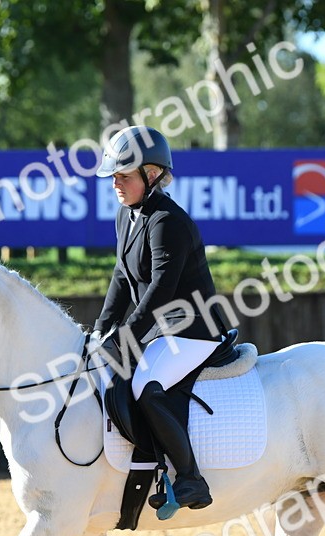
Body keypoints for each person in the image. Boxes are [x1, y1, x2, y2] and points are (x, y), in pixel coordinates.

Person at [92, 126, 227, 510]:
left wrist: (125, 338)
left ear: (151, 175)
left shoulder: (169, 221)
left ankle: (190, 479)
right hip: (159, 332)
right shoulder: (127, 214)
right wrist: (102, 329)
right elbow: (121, 277)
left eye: (124, 175)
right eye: (114, 176)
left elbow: (160, 294)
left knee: (148, 387)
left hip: (192, 331)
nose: (116, 183)